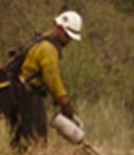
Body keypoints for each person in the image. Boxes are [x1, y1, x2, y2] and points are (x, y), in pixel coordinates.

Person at [11, 10, 82, 146]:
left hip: (20, 93)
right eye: (68, 36)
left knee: (20, 139)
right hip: (29, 96)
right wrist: (65, 103)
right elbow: (52, 79)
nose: (69, 41)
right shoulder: (48, 49)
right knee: (38, 141)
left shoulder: (41, 41)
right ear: (60, 29)